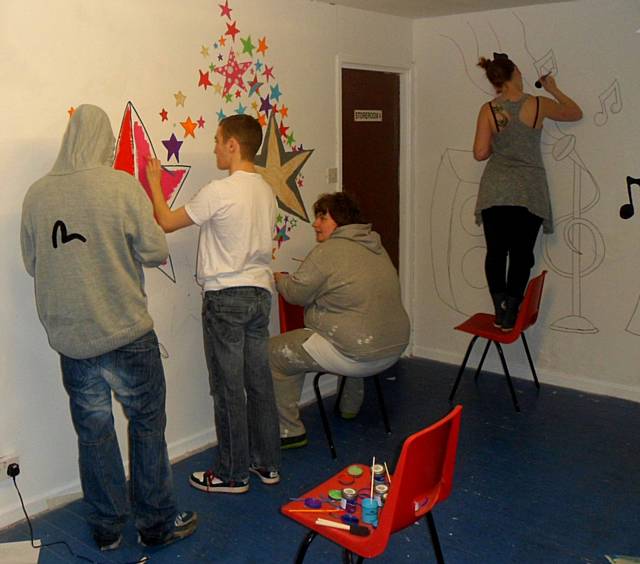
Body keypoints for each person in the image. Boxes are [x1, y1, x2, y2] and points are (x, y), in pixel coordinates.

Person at [20, 104, 198, 551]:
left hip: (73, 342)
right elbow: (156, 251)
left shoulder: (37, 195)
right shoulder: (120, 187)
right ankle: (156, 524)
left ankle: (107, 529)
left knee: (93, 434)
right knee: (146, 426)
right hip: (126, 334)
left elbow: (31, 262)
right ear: (102, 141)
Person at [145, 114, 281, 494]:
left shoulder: (221, 190)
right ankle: (266, 463)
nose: (216, 147)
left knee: (227, 387)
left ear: (234, 145)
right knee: (259, 383)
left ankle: (232, 473)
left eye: (219, 140)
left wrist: (155, 184)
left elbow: (168, 222)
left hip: (226, 297)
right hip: (259, 294)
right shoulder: (266, 190)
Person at [271, 192, 410, 449]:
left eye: (322, 217)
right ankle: (349, 407)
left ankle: (289, 431)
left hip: (359, 354)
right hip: (392, 349)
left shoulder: (328, 250)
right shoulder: (375, 246)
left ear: (339, 219)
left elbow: (295, 294)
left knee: (273, 354)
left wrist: (280, 280)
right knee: (351, 329)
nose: (315, 224)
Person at [473, 52, 582, 330]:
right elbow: (574, 112)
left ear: (495, 81)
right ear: (516, 73)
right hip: (528, 189)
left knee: (496, 252)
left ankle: (499, 308)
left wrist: (501, 141)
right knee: (522, 254)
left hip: (496, 190)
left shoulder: (489, 110)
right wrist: (553, 89)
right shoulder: (537, 104)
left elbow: (480, 152)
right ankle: (512, 312)